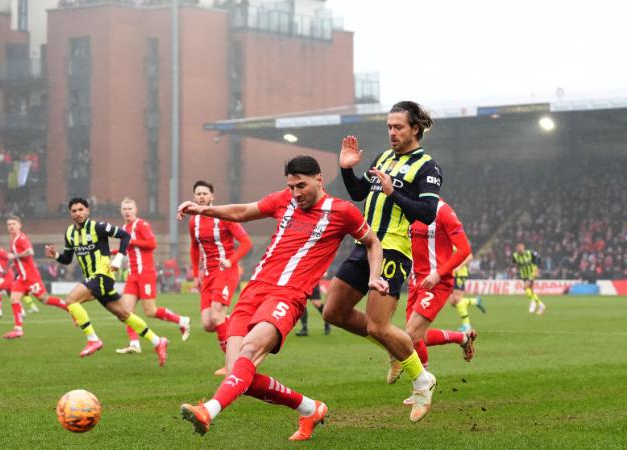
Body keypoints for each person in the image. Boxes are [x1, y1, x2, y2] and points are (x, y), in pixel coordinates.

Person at [177, 156, 386, 441]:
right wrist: (203, 210)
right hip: (253, 290)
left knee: (249, 352)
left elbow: (373, 243)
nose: (296, 193)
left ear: (319, 179)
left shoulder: (342, 212)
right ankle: (310, 408)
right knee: (237, 377)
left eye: (301, 185)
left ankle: (208, 411)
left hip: (288, 296)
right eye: (291, 187)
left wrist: (374, 276)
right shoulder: (282, 201)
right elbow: (242, 211)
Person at [322, 101, 442, 423]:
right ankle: (394, 346)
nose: (392, 132)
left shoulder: (427, 167)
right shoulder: (383, 158)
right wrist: (347, 169)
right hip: (365, 244)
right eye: (389, 126)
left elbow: (428, 213)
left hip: (394, 251)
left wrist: (395, 195)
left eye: (398, 127)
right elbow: (360, 192)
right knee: (333, 311)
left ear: (415, 128)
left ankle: (422, 380)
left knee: (378, 325)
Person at [45, 198, 169, 365]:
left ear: (87, 210)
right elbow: (67, 259)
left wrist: (118, 259)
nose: (78, 213)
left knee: (71, 300)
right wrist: (56, 256)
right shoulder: (69, 233)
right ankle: (157, 341)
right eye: (74, 211)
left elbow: (125, 236)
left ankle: (93, 340)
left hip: (102, 275)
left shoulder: (99, 227)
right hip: (93, 278)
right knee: (124, 314)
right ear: (70, 213)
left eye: (81, 209)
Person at [388, 198, 476, 404]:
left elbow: (464, 250)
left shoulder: (443, 211)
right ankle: (462, 338)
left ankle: (423, 383)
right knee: (416, 338)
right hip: (415, 281)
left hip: (437, 282)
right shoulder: (407, 208)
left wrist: (439, 273)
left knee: (408, 335)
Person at [188, 180, 252, 375]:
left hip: (226, 271)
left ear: (212, 197)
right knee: (208, 324)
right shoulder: (194, 221)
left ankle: (230, 364)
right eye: (198, 194)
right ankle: (241, 324)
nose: (201, 197)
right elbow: (194, 247)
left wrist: (231, 261)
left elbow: (246, 243)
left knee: (217, 317)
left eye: (205, 194)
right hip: (207, 275)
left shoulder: (223, 217)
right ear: (194, 197)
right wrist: (195, 274)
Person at [115, 198, 191, 354]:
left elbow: (152, 243)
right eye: (124, 209)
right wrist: (111, 252)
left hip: (146, 274)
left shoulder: (141, 225)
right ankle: (134, 343)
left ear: (135, 210)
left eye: (130, 208)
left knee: (150, 311)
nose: (127, 211)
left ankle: (181, 320)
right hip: (133, 275)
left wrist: (132, 241)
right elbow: (129, 248)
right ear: (121, 211)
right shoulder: (124, 228)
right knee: (125, 311)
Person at [2, 216, 69, 339]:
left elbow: (30, 252)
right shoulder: (14, 239)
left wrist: (14, 256)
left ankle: (68, 307)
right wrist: (15, 262)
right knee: (14, 299)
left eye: (13, 224)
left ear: (19, 225)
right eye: (9, 224)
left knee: (45, 300)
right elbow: (23, 257)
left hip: (31, 277)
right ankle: (18, 329)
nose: (11, 226)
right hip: (22, 278)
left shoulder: (21, 238)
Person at [449, 257, 485, 332]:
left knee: (457, 299)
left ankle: (466, 325)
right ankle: (476, 301)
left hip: (459, 273)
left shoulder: (459, 244)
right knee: (452, 302)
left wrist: (459, 267)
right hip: (451, 272)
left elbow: (469, 256)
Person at [513, 243, 545, 314]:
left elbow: (539, 258)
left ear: (523, 248)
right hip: (524, 275)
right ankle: (533, 303)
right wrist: (515, 269)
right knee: (530, 291)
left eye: (521, 250)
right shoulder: (515, 256)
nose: (519, 251)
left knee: (525, 287)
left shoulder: (530, 253)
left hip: (532, 273)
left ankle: (541, 305)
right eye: (518, 250)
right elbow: (515, 264)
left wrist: (537, 269)